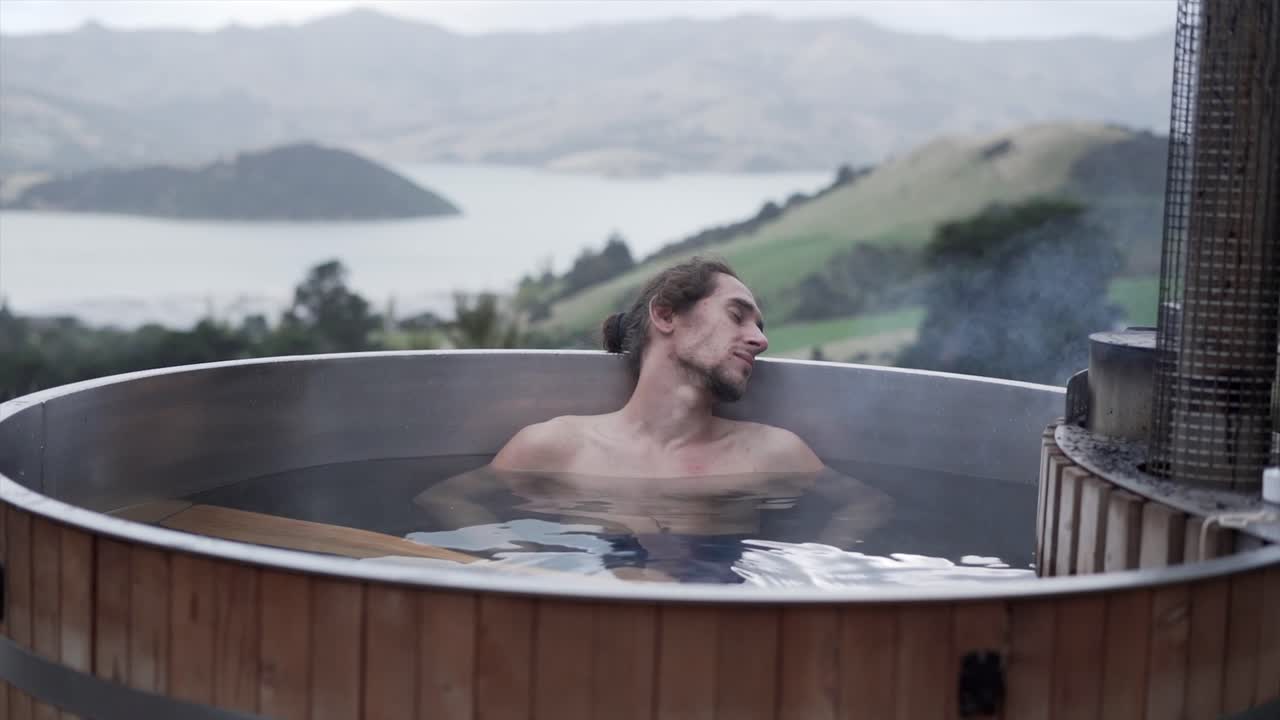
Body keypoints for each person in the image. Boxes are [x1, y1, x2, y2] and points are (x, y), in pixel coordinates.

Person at [413, 257, 890, 581]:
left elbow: (868, 504)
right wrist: (517, 566)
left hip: (725, 627)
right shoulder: (558, 445)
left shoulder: (772, 452)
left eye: (759, 327)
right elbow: (447, 498)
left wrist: (807, 576)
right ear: (665, 315)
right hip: (591, 619)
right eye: (737, 316)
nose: (759, 340)